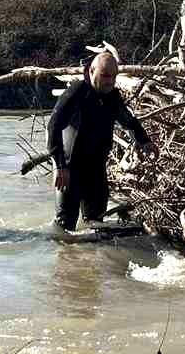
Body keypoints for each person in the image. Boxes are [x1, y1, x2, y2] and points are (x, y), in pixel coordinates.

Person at [48, 51, 155, 232]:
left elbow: (127, 119)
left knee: (97, 226)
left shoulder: (112, 95)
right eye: (105, 75)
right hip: (70, 170)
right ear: (91, 72)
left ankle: (92, 260)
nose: (110, 81)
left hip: (96, 169)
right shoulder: (76, 92)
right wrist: (59, 166)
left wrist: (144, 141)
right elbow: (53, 127)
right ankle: (66, 260)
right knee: (64, 230)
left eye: (113, 76)